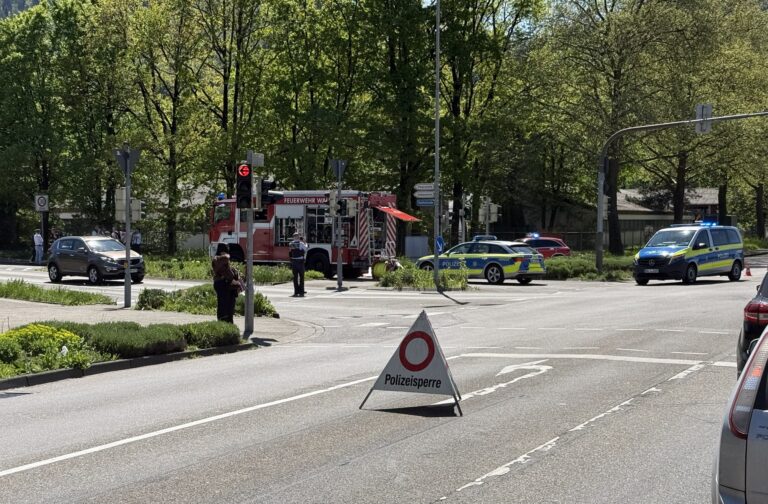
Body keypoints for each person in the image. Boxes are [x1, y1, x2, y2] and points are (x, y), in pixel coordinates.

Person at [211, 243, 240, 323]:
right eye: (225, 251)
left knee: (229, 306)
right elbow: (227, 273)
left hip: (226, 285)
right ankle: (223, 322)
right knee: (223, 305)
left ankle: (228, 322)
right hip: (221, 284)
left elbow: (228, 272)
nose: (227, 253)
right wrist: (232, 278)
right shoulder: (218, 259)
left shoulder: (221, 260)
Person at [289, 232, 307, 297]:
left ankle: (296, 292)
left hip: (294, 262)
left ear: (293, 237)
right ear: (298, 237)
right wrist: (305, 243)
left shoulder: (291, 244)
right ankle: (301, 292)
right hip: (300, 262)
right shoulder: (301, 243)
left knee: (295, 278)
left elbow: (290, 251)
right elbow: (305, 249)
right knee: (302, 277)